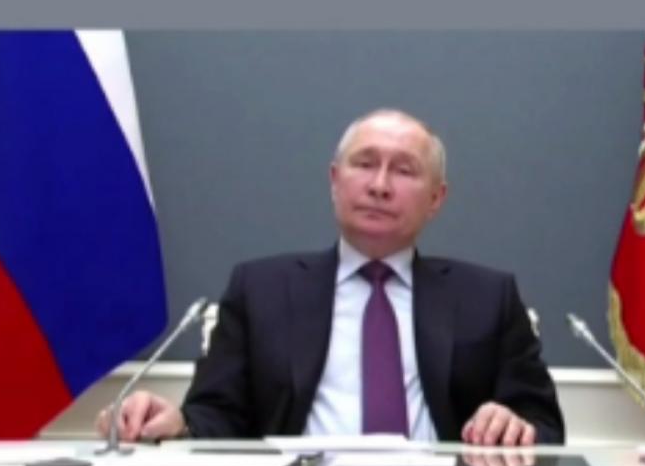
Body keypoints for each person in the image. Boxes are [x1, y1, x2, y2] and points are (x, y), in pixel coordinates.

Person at [96, 109, 564, 446]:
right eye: (365, 164)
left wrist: (515, 424)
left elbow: (543, 424)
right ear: (334, 180)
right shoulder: (260, 289)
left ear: (437, 198)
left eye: (404, 170)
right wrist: (178, 423)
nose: (379, 185)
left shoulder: (488, 297)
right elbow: (216, 414)